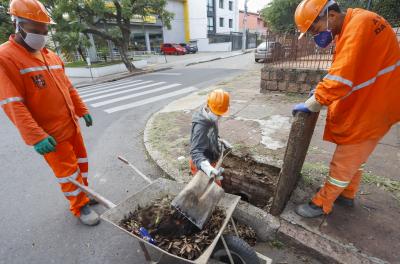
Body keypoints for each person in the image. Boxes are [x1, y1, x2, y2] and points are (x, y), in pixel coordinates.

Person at [292, 0, 400, 218]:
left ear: (330, 15)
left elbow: (341, 78)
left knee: (345, 159)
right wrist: (322, 88)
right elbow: (345, 68)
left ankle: (322, 203)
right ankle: (347, 194)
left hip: (373, 108)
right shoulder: (355, 23)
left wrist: (313, 102)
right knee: (355, 158)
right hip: (375, 102)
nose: (316, 35)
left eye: (315, 29)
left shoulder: (359, 25)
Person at [0, 0, 99, 225]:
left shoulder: (50, 55)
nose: (42, 33)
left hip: (70, 124)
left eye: (45, 29)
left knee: (81, 163)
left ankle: (85, 194)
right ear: (17, 24)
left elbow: (68, 87)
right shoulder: (5, 58)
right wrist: (36, 137)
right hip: (50, 134)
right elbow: (13, 103)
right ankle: (79, 205)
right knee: (67, 172)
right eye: (37, 28)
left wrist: (82, 110)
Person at [189, 89, 230, 184]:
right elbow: (195, 151)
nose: (219, 117)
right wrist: (208, 168)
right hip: (201, 162)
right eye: (217, 114)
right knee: (209, 189)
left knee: (215, 185)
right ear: (208, 106)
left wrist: (220, 141)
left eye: (221, 114)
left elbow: (211, 133)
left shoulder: (211, 117)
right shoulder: (200, 127)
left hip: (211, 158)